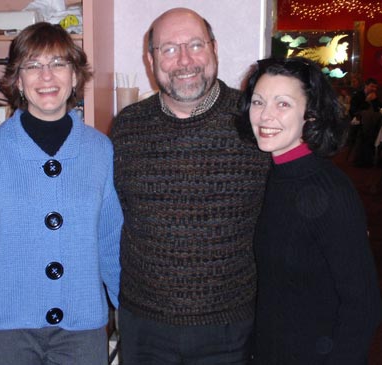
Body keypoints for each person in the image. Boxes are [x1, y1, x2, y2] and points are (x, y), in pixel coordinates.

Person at [0, 22, 123, 365]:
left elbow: (110, 241)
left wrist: (129, 316)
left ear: (75, 77)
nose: (46, 76)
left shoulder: (100, 151)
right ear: (17, 80)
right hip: (7, 329)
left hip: (82, 327)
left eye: (58, 64)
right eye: (33, 65)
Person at [110, 8, 270, 365]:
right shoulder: (126, 128)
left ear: (214, 49)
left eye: (195, 45)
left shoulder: (255, 123)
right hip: (143, 327)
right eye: (168, 49)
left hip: (230, 327)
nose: (184, 60)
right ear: (150, 61)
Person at [238, 56, 382, 364]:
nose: (265, 115)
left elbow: (363, 305)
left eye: (283, 104)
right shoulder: (274, 175)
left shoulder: (331, 190)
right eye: (258, 102)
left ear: (311, 115)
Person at [348, 77, 382, 166]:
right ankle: (361, 159)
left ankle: (373, 159)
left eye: (375, 87)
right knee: (364, 132)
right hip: (357, 123)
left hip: (371, 123)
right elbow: (353, 111)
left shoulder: (375, 96)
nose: (373, 89)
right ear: (366, 86)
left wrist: (374, 101)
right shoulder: (358, 95)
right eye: (372, 86)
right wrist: (367, 101)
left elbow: (378, 109)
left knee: (374, 130)